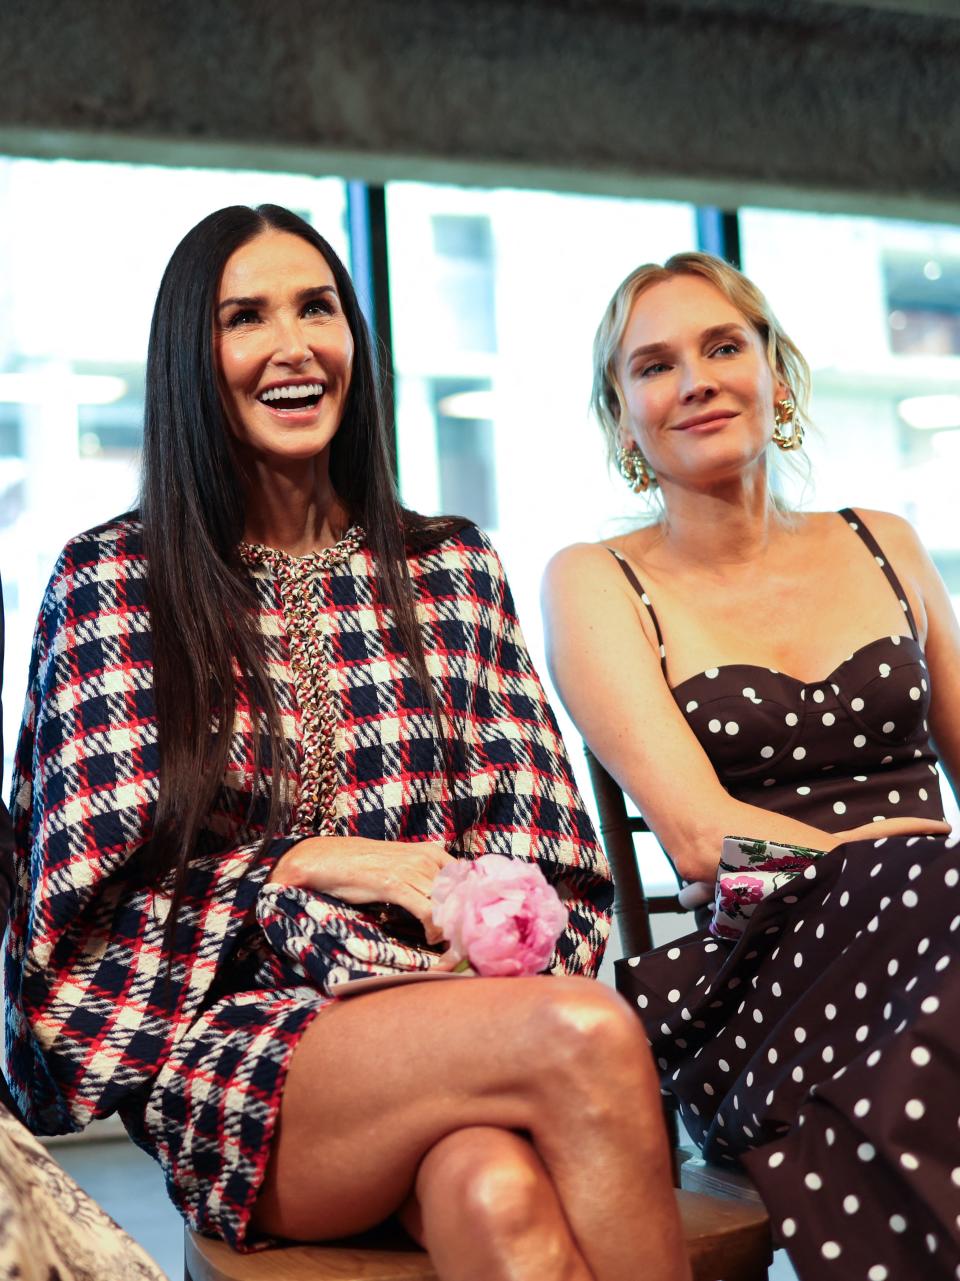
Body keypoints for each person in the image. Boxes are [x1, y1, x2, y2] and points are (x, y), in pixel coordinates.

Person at [4, 205, 690, 1281]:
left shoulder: (452, 570)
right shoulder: (111, 586)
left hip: (464, 1018)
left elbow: (555, 870)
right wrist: (295, 866)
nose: (294, 345)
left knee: (493, 1192)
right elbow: (77, 933)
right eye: (246, 317)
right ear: (192, 356)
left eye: (317, 307)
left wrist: (477, 953)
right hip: (238, 1067)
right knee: (588, 1033)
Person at [542, 251, 960, 1281]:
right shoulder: (596, 580)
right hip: (765, 983)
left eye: (724, 346)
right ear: (620, 414)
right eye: (654, 365)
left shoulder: (886, 543)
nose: (695, 380)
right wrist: (904, 862)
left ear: (777, 371)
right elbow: (704, 840)